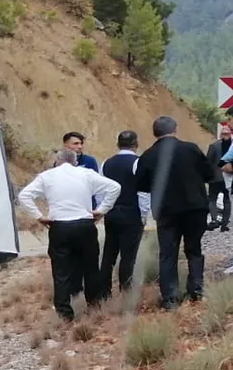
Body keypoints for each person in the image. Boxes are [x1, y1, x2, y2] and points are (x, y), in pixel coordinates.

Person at [17, 149, 122, 321]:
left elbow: (24, 196)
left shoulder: (47, 176)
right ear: (75, 161)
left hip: (59, 226)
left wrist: (39, 216)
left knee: (61, 271)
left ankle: (64, 313)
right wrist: (102, 210)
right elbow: (115, 187)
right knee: (90, 268)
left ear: (57, 161)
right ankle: (94, 307)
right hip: (84, 224)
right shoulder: (86, 173)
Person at [134, 116, 214, 308]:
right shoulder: (191, 149)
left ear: (155, 133)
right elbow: (209, 174)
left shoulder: (148, 155)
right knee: (194, 249)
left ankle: (170, 298)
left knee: (167, 252)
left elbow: (140, 184)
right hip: (194, 207)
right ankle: (196, 291)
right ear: (175, 129)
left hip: (166, 210)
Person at [99, 130, 151, 298]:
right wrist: (144, 215)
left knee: (109, 254)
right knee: (128, 256)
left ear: (118, 144)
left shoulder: (106, 163)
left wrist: (103, 209)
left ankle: (104, 292)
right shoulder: (138, 163)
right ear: (136, 144)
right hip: (131, 213)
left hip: (112, 212)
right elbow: (143, 192)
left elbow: (101, 190)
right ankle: (125, 292)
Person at [209, 122, 233, 232]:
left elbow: (208, 161)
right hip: (227, 177)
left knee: (212, 199)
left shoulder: (214, 146)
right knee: (227, 200)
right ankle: (224, 224)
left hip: (215, 177)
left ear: (220, 135)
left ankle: (214, 220)